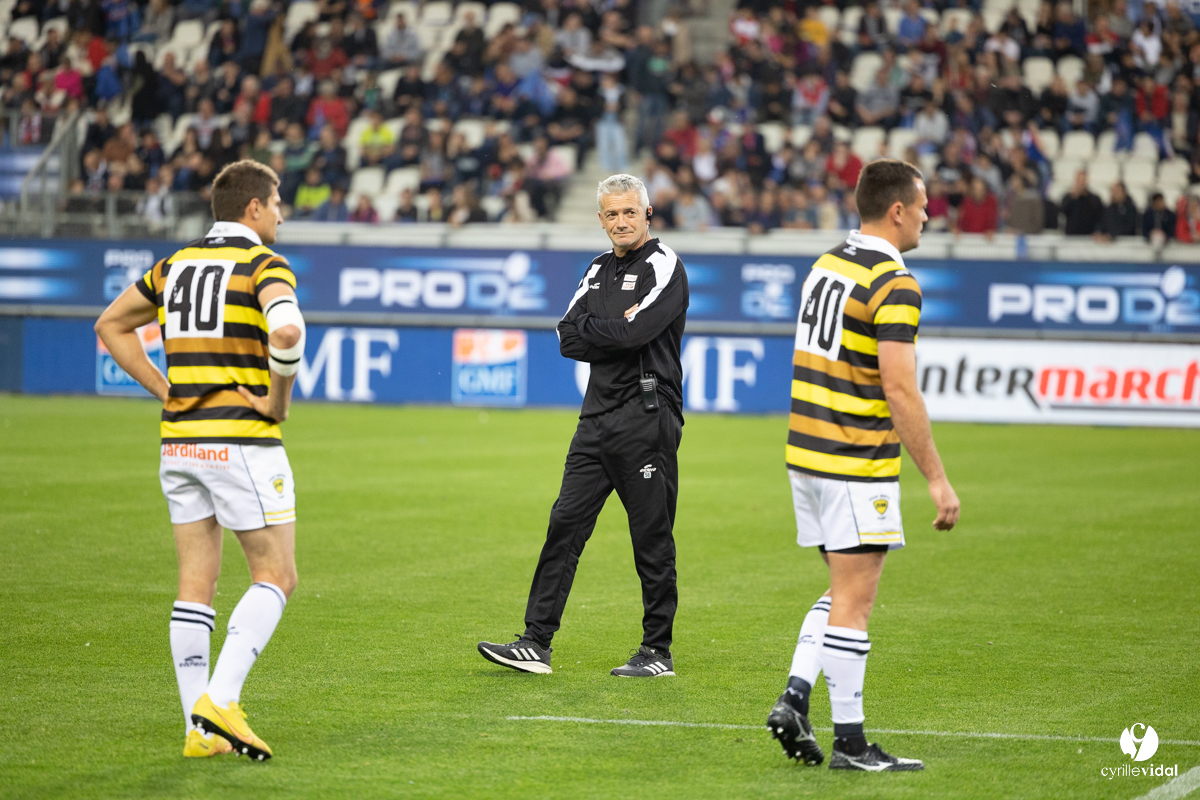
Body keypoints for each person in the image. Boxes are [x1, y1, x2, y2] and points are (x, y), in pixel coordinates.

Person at [93, 160, 305, 762]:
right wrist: (277, 399)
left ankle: (197, 728)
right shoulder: (263, 264)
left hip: (179, 442)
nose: (282, 214)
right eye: (278, 202)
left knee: (195, 585)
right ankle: (222, 699)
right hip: (241, 440)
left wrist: (165, 390)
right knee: (277, 576)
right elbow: (287, 333)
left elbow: (111, 324)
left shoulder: (174, 265)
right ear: (254, 209)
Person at [767, 160, 960, 772]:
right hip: (854, 459)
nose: (929, 215)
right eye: (924, 205)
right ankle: (850, 742)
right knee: (857, 600)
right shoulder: (895, 283)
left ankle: (795, 698)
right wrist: (936, 477)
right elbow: (900, 390)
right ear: (897, 210)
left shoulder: (827, 264)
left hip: (806, 452)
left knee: (841, 589)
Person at [478, 173, 689, 678]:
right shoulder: (595, 270)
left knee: (651, 536)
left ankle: (657, 651)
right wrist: (616, 330)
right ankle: (535, 642)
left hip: (646, 415)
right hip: (595, 419)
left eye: (629, 212)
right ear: (601, 219)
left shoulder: (665, 264)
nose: (621, 222)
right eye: (612, 214)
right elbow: (566, 336)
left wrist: (607, 330)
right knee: (565, 524)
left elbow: (638, 330)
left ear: (647, 214)